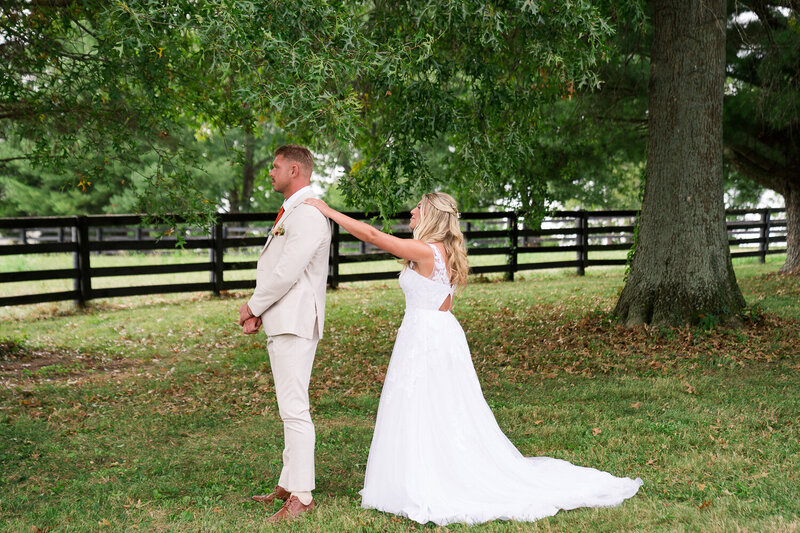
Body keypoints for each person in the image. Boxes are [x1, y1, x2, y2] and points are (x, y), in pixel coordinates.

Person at [304, 192, 642, 526]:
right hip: (433, 333)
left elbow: (374, 236)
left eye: (418, 208)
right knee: (432, 407)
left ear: (432, 215)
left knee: (428, 405)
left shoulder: (426, 251)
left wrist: (329, 210)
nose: (412, 211)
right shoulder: (442, 252)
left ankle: (433, 479)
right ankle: (422, 472)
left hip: (427, 337)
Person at [238, 145, 331, 522]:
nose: (270, 172)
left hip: (294, 321)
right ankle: (289, 482)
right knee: (289, 406)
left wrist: (253, 306)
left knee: (294, 409)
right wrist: (263, 310)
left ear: (295, 169)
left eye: (275, 166)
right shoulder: (294, 209)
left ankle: (303, 496)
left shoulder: (308, 214)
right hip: (284, 318)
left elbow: (287, 272)